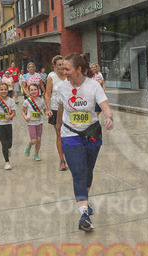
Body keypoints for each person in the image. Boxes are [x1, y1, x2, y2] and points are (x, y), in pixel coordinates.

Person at [56, 53, 115, 232]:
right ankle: (84, 215)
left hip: (92, 133)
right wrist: (58, 125)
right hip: (70, 134)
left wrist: (109, 117)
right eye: (62, 69)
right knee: (79, 172)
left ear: (79, 69)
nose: (64, 72)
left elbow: (105, 105)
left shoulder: (93, 85)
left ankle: (85, 200)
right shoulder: (62, 87)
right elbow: (61, 106)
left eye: (67, 69)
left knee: (88, 170)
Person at [45, 55, 68, 171]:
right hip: (55, 108)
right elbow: (47, 94)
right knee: (59, 134)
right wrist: (48, 109)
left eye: (63, 64)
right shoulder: (52, 77)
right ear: (54, 66)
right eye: (59, 65)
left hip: (69, 109)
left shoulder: (69, 75)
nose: (62, 66)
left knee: (70, 134)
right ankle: (62, 160)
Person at [0, 82, 17, 170]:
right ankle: (7, 162)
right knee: (4, 143)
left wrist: (10, 116)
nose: (3, 91)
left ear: (8, 90)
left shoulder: (11, 101)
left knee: (9, 144)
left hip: (8, 123)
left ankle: (8, 149)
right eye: (1, 89)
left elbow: (13, 112)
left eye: (5, 89)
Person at [22, 83, 47, 161]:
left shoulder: (41, 101)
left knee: (39, 140)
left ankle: (36, 154)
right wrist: (25, 117)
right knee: (34, 140)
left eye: (35, 89)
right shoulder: (27, 101)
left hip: (39, 122)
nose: (33, 91)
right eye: (31, 90)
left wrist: (48, 114)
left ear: (38, 90)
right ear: (29, 91)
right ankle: (29, 145)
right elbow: (23, 111)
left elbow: (45, 110)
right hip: (31, 123)